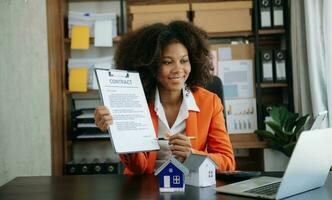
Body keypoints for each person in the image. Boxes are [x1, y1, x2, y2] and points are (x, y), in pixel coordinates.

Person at [94, 20, 235, 174]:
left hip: (189, 185)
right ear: (151, 66)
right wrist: (121, 135)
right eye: (167, 62)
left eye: (184, 61)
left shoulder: (210, 102)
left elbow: (227, 162)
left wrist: (191, 156)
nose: (178, 69)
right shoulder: (135, 101)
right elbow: (138, 168)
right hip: (144, 187)